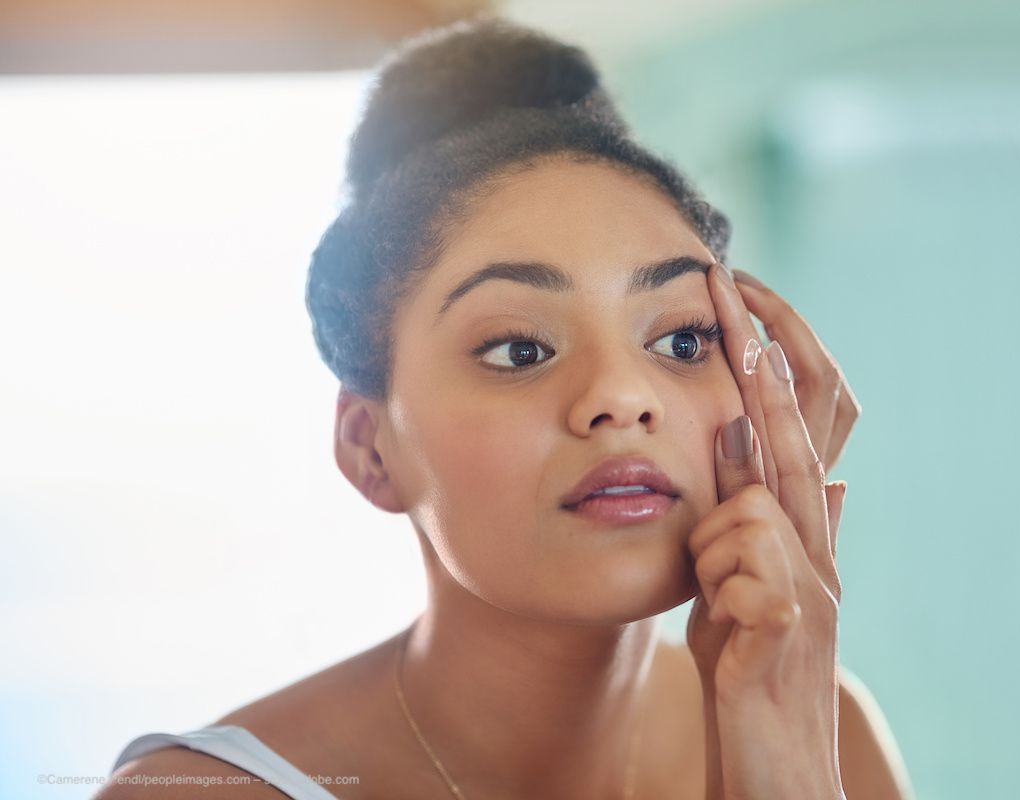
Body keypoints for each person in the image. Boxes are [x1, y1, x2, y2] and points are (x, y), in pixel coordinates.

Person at [99, 14, 913, 800]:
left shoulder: (825, 730)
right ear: (369, 450)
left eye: (683, 342)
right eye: (520, 350)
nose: (623, 398)